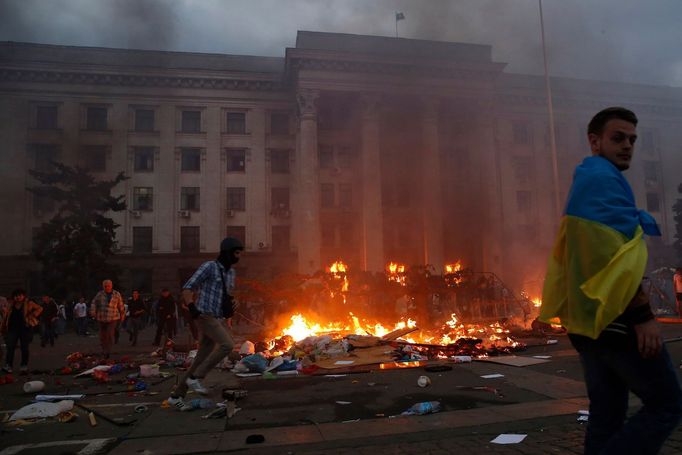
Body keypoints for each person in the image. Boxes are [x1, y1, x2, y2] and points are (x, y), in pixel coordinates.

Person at [539, 107, 682, 454]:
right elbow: (611, 260)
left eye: (632, 139)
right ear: (594, 140)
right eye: (618, 138)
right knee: (667, 404)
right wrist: (643, 316)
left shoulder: (589, 178)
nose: (628, 146)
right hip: (615, 318)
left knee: (607, 414)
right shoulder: (602, 179)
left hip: (589, 321)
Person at [167, 237, 243, 409]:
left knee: (199, 359)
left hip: (217, 317)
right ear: (227, 252)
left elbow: (228, 296)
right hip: (204, 315)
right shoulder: (209, 266)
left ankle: (177, 395)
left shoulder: (231, 273)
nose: (238, 257)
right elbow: (188, 288)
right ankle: (197, 378)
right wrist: (192, 306)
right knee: (227, 345)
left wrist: (233, 303)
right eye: (236, 253)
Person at [1, 289, 42, 374]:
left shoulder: (28, 303)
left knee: (24, 347)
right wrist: (3, 327)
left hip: (25, 328)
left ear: (23, 296)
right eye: (16, 296)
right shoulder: (11, 305)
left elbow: (39, 308)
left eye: (20, 295)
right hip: (12, 329)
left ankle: (24, 366)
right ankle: (8, 366)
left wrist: (32, 315)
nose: (18, 297)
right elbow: (6, 316)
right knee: (10, 347)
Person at [90, 279, 125, 358]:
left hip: (113, 317)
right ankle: (104, 349)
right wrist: (93, 311)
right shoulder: (100, 294)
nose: (107, 287)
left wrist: (122, 314)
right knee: (103, 336)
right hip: (101, 317)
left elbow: (121, 304)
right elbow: (93, 303)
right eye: (105, 286)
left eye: (108, 286)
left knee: (109, 334)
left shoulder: (116, 294)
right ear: (103, 287)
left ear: (111, 286)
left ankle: (108, 351)